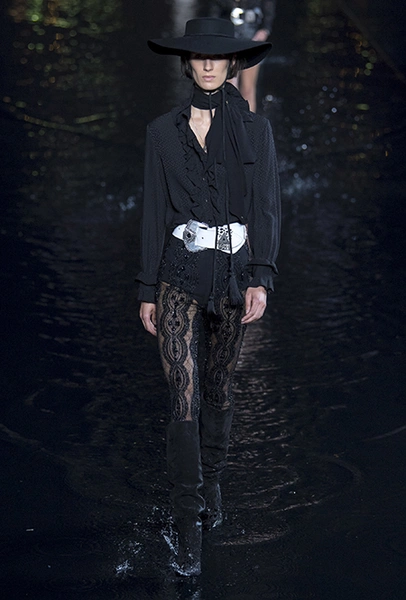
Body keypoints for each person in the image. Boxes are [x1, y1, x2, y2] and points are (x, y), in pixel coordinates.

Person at [136, 17, 280, 576]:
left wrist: (261, 276)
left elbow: (265, 206)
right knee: (184, 393)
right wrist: (147, 287)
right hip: (177, 273)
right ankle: (188, 519)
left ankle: (212, 483)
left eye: (217, 57)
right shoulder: (161, 133)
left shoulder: (256, 131)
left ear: (232, 63)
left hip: (231, 276)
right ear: (187, 63)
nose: (208, 65)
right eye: (199, 56)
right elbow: (154, 212)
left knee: (218, 388)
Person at [208, 1, 277, 111]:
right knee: (230, 85)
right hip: (229, 39)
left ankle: (248, 120)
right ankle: (231, 119)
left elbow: (268, 9)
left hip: (252, 39)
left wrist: (265, 30)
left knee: (248, 89)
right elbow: (215, 11)